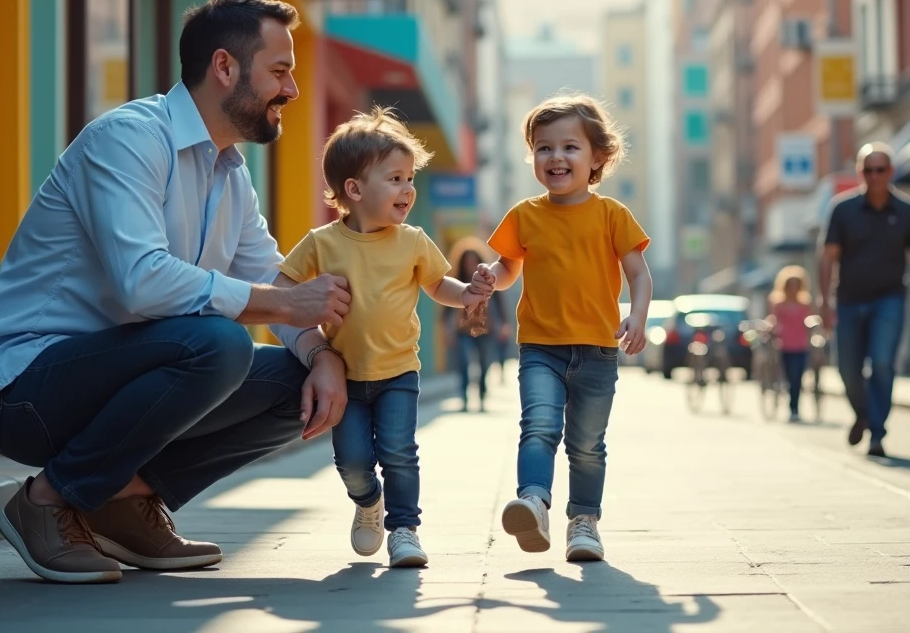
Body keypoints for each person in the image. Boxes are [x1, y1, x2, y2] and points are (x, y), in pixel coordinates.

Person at [0, 0, 353, 585]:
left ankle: (121, 498)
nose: (292, 90)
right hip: (30, 388)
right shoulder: (128, 140)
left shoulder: (230, 174)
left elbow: (271, 277)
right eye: (279, 71)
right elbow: (143, 283)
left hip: (129, 375)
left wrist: (322, 354)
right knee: (219, 345)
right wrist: (281, 303)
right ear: (225, 68)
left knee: (296, 384)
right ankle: (46, 500)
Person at [276, 109, 491, 568]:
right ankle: (367, 501)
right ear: (353, 190)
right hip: (346, 376)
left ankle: (404, 530)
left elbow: (438, 285)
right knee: (352, 461)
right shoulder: (322, 242)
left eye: (410, 178)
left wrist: (467, 293)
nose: (408, 189)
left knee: (399, 452)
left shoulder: (412, 240)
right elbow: (281, 289)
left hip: (398, 371)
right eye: (395, 178)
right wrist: (309, 328)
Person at [476, 94, 652, 563]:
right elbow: (509, 267)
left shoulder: (612, 214)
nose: (556, 157)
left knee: (588, 445)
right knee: (538, 425)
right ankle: (533, 501)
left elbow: (638, 273)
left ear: (597, 157)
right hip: (540, 346)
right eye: (544, 148)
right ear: (533, 156)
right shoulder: (524, 215)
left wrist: (637, 315)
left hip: (597, 349)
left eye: (570, 147)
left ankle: (584, 523)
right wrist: (492, 276)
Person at [819, 142, 910, 458]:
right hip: (848, 302)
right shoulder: (842, 209)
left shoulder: (906, 211)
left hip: (888, 301)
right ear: (860, 173)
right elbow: (828, 258)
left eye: (880, 170)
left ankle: (877, 433)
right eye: (868, 170)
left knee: (882, 363)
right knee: (847, 369)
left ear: (890, 172)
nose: (874, 176)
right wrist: (824, 302)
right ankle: (863, 413)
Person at [445, 246, 508, 412]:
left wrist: (503, 324)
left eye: (473, 261)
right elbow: (446, 308)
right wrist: (448, 329)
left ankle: (481, 396)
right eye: (467, 262)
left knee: (484, 365)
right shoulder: (457, 279)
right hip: (463, 331)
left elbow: (500, 303)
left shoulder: (488, 279)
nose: (470, 265)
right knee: (464, 364)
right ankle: (464, 399)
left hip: (485, 330)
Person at [767, 265, 813, 423]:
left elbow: (809, 321)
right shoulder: (778, 304)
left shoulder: (805, 304)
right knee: (788, 377)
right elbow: (774, 321)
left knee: (797, 378)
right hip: (784, 345)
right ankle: (790, 404)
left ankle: (794, 407)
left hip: (801, 345)